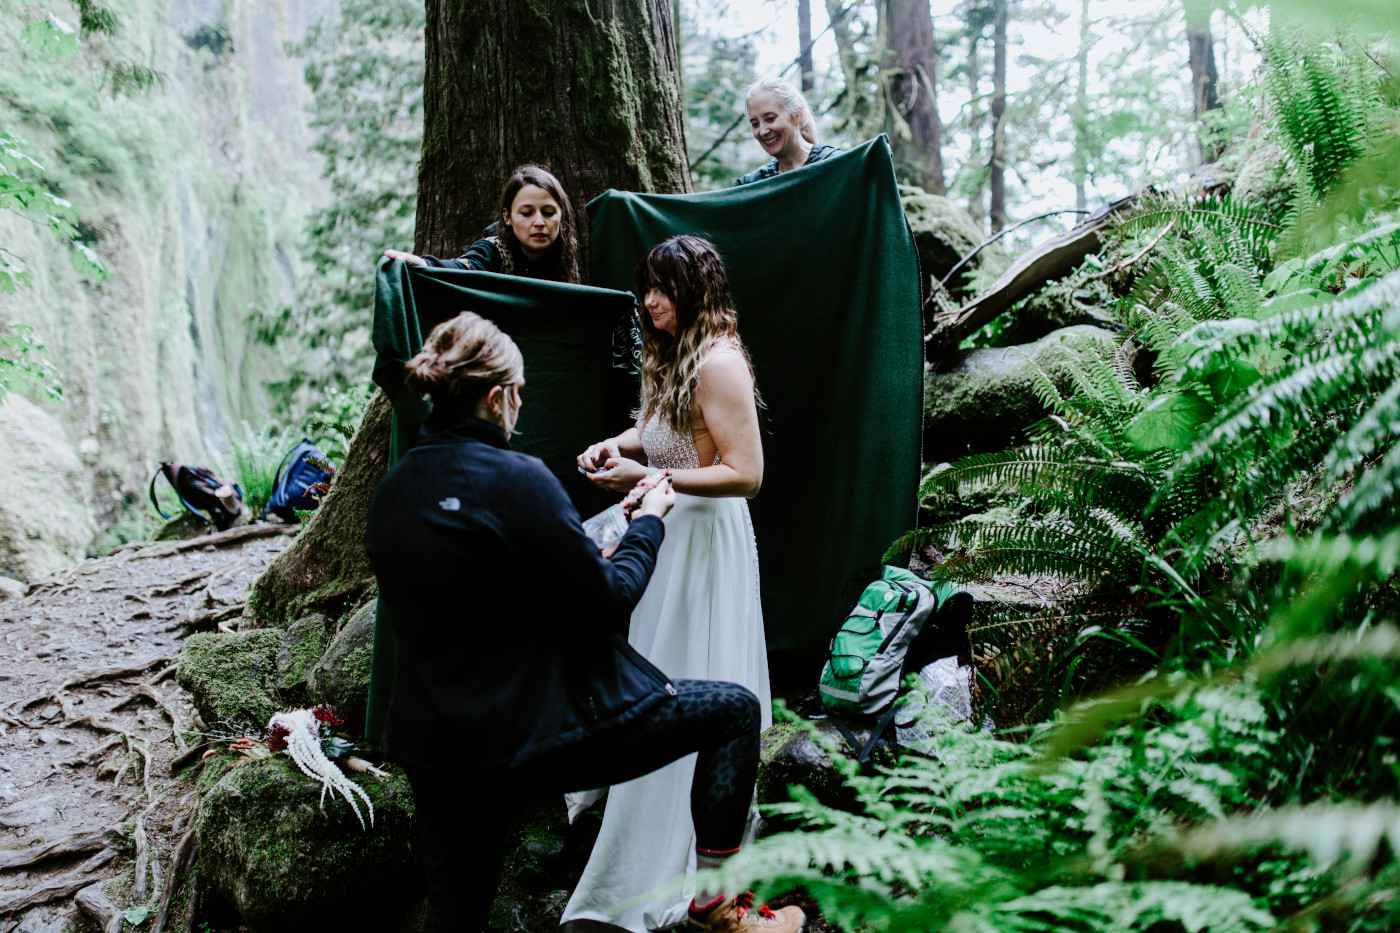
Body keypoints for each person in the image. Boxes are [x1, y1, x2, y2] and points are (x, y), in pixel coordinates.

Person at [364, 311, 802, 933]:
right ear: (497, 399)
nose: (519, 404)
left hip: (433, 740)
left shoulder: (395, 489)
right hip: (533, 732)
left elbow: (462, 597)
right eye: (518, 394)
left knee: (455, 913)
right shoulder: (520, 481)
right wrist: (648, 518)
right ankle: (714, 906)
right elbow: (610, 601)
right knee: (733, 709)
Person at [564, 236, 772, 932]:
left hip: (706, 540)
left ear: (696, 290)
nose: (649, 300)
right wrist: (617, 447)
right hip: (666, 531)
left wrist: (650, 480)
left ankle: (697, 853)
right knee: (656, 669)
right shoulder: (670, 350)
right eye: (646, 287)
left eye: (663, 288)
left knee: (696, 670)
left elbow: (746, 473)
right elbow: (661, 433)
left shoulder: (718, 362)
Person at [383, 164, 641, 374]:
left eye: (549, 212)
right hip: (493, 368)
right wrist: (426, 265)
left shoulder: (565, 261)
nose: (539, 222)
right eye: (527, 213)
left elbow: (576, 311)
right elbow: (464, 268)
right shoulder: (492, 251)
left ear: (561, 216)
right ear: (507, 217)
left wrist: (615, 308)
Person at [734, 77, 840, 187]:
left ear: (797, 115)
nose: (762, 132)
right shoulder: (751, 186)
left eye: (770, 118)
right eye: (755, 124)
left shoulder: (836, 165)